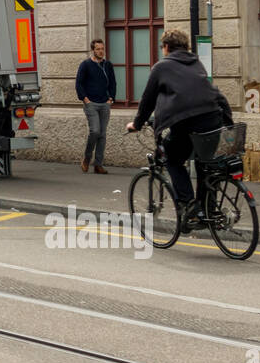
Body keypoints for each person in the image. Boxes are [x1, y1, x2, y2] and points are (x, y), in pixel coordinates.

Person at [125, 28, 233, 228]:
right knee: (205, 164)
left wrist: (137, 124)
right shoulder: (196, 63)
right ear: (185, 46)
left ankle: (191, 207)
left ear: (166, 47)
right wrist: (228, 122)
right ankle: (206, 211)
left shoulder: (161, 67)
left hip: (185, 121)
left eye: (162, 47)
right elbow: (214, 92)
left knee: (172, 159)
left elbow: (147, 100)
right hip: (212, 119)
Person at [75, 38, 116, 174]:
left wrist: (111, 98)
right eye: (98, 49)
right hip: (91, 103)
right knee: (95, 131)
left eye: (102, 49)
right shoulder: (85, 65)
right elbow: (79, 83)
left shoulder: (107, 65)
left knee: (102, 134)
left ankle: (98, 164)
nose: (101, 51)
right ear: (93, 50)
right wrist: (85, 99)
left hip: (105, 103)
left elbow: (113, 83)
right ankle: (87, 158)